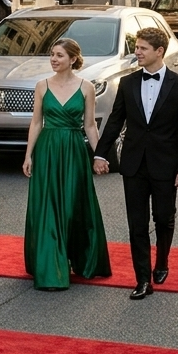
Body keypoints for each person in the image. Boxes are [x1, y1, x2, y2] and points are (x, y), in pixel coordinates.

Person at [94, 27, 178, 300]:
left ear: (159, 51)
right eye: (136, 47)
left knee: (163, 217)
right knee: (136, 224)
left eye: (142, 48)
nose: (137, 52)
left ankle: (162, 261)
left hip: (166, 164)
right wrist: (100, 154)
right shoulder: (127, 83)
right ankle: (142, 280)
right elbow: (115, 121)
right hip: (134, 164)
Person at [22, 38, 111, 289]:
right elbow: (36, 122)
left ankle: (81, 259)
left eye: (59, 55)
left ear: (72, 59)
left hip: (73, 150)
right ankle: (51, 268)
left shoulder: (87, 87)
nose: (53, 59)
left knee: (74, 206)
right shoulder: (42, 86)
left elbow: (90, 126)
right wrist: (28, 155)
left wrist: (99, 155)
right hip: (47, 150)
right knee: (48, 208)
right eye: (52, 54)